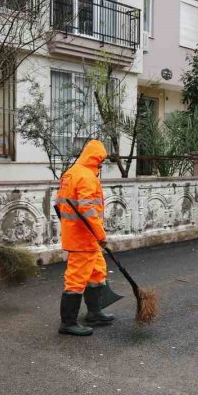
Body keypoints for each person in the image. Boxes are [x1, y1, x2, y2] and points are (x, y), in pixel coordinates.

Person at [55, 139, 116, 336]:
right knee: (76, 278)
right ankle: (68, 323)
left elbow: (59, 204)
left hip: (80, 235)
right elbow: (87, 209)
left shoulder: (71, 173)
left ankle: (94, 312)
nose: (101, 165)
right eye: (101, 161)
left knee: (97, 272)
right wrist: (100, 234)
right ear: (96, 159)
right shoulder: (86, 176)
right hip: (84, 237)